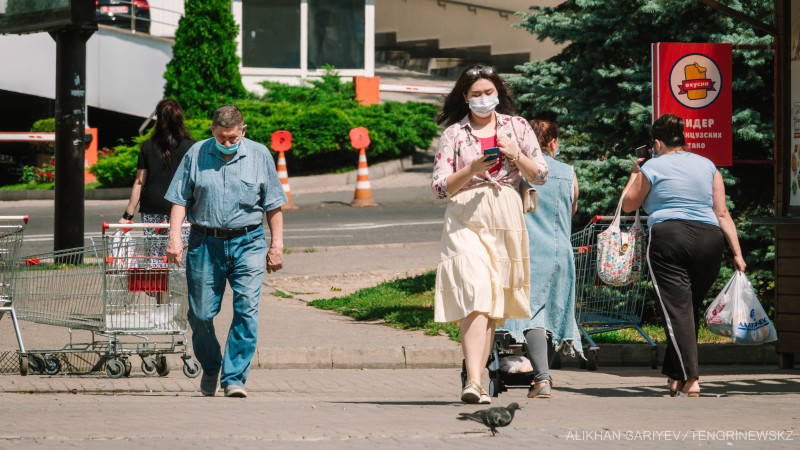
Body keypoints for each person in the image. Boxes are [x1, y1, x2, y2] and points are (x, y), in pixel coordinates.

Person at [431, 64, 549, 404]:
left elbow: (540, 173)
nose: (483, 99)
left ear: (498, 93)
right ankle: (473, 378)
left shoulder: (518, 127)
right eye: (476, 94)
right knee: (474, 290)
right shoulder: (455, 134)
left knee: (491, 304)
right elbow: (439, 187)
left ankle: (477, 383)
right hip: (465, 217)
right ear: (465, 98)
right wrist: (471, 169)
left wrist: (515, 155)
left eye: (488, 92)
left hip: (505, 217)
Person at [165, 104, 287, 398]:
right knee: (201, 314)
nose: (228, 144)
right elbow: (180, 200)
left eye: (233, 138)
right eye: (222, 138)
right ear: (212, 131)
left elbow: (273, 206)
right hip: (205, 243)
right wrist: (174, 238)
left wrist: (277, 246)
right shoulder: (196, 154)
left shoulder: (259, 155)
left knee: (247, 309)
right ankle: (210, 365)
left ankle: (234, 377)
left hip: (249, 242)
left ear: (243, 131)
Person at [621, 113, 746, 397]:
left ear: (657, 143)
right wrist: (737, 253)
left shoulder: (651, 166)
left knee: (677, 312)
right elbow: (722, 213)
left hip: (669, 238)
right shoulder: (708, 166)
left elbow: (629, 204)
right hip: (709, 241)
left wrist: (635, 173)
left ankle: (692, 379)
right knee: (684, 312)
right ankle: (675, 376)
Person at [502, 119, 583, 399]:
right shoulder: (567, 172)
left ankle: (542, 378)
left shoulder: (518, 172)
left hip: (529, 251)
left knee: (532, 316)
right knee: (553, 313)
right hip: (561, 252)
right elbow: (571, 210)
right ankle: (542, 377)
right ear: (552, 143)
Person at [120, 98, 194, 304]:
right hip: (182, 209)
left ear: (157, 119)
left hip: (152, 207)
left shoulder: (147, 147)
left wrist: (128, 215)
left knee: (156, 258)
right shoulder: (192, 147)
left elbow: (139, 182)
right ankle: (178, 308)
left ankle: (162, 304)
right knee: (179, 256)